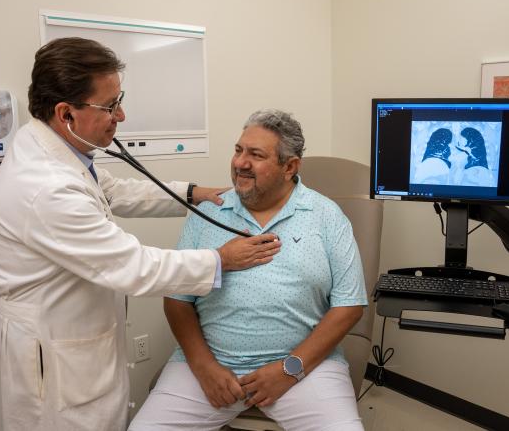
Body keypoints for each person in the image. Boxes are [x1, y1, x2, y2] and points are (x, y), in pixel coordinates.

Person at [0, 37, 280, 431]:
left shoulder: (50, 145)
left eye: (118, 99)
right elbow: (134, 266)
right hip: (54, 358)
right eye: (109, 106)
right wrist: (221, 260)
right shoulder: (46, 189)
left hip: (68, 333)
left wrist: (193, 193)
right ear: (65, 112)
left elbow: (112, 190)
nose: (120, 115)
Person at [129, 109, 367, 431]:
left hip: (303, 366)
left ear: (290, 167)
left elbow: (349, 304)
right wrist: (204, 368)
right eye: (239, 150)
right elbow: (177, 299)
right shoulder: (209, 212)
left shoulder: (326, 215)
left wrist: (288, 369)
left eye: (255, 155)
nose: (240, 162)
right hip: (208, 366)